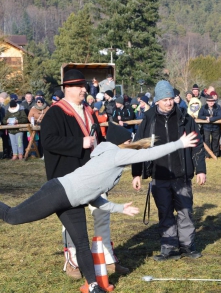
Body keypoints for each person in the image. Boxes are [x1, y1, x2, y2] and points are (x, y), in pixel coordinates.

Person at [0, 122, 199, 293]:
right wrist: (179, 144)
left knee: (82, 244)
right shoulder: (115, 155)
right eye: (129, 141)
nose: (131, 144)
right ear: (123, 143)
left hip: (74, 202)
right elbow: (150, 152)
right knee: (12, 216)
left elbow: (92, 196)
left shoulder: (110, 157)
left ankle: (94, 285)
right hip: (57, 192)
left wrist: (120, 208)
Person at [40, 69, 128, 279]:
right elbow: (49, 142)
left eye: (84, 86)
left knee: (102, 214)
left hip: (94, 175)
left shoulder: (88, 110)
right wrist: (80, 143)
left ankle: (106, 257)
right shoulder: (55, 112)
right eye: (79, 86)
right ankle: (73, 261)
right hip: (69, 178)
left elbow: (96, 136)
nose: (84, 89)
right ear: (67, 89)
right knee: (72, 220)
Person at [131, 80, 206, 261]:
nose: (168, 102)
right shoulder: (148, 120)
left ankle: (188, 246)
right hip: (159, 174)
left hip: (182, 175)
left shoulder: (185, 118)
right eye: (164, 99)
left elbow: (197, 145)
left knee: (185, 211)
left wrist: (201, 170)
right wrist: (136, 173)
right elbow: (138, 146)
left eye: (171, 98)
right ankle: (169, 247)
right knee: (165, 212)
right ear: (157, 101)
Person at [198, 92, 221, 158]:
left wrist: (211, 119)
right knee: (206, 140)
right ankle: (207, 155)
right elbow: (200, 115)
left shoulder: (218, 107)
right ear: (207, 101)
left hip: (216, 127)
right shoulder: (203, 107)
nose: (211, 102)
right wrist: (206, 118)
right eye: (209, 101)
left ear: (214, 101)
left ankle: (215, 154)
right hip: (206, 127)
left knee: (215, 140)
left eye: (212, 101)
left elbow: (220, 116)